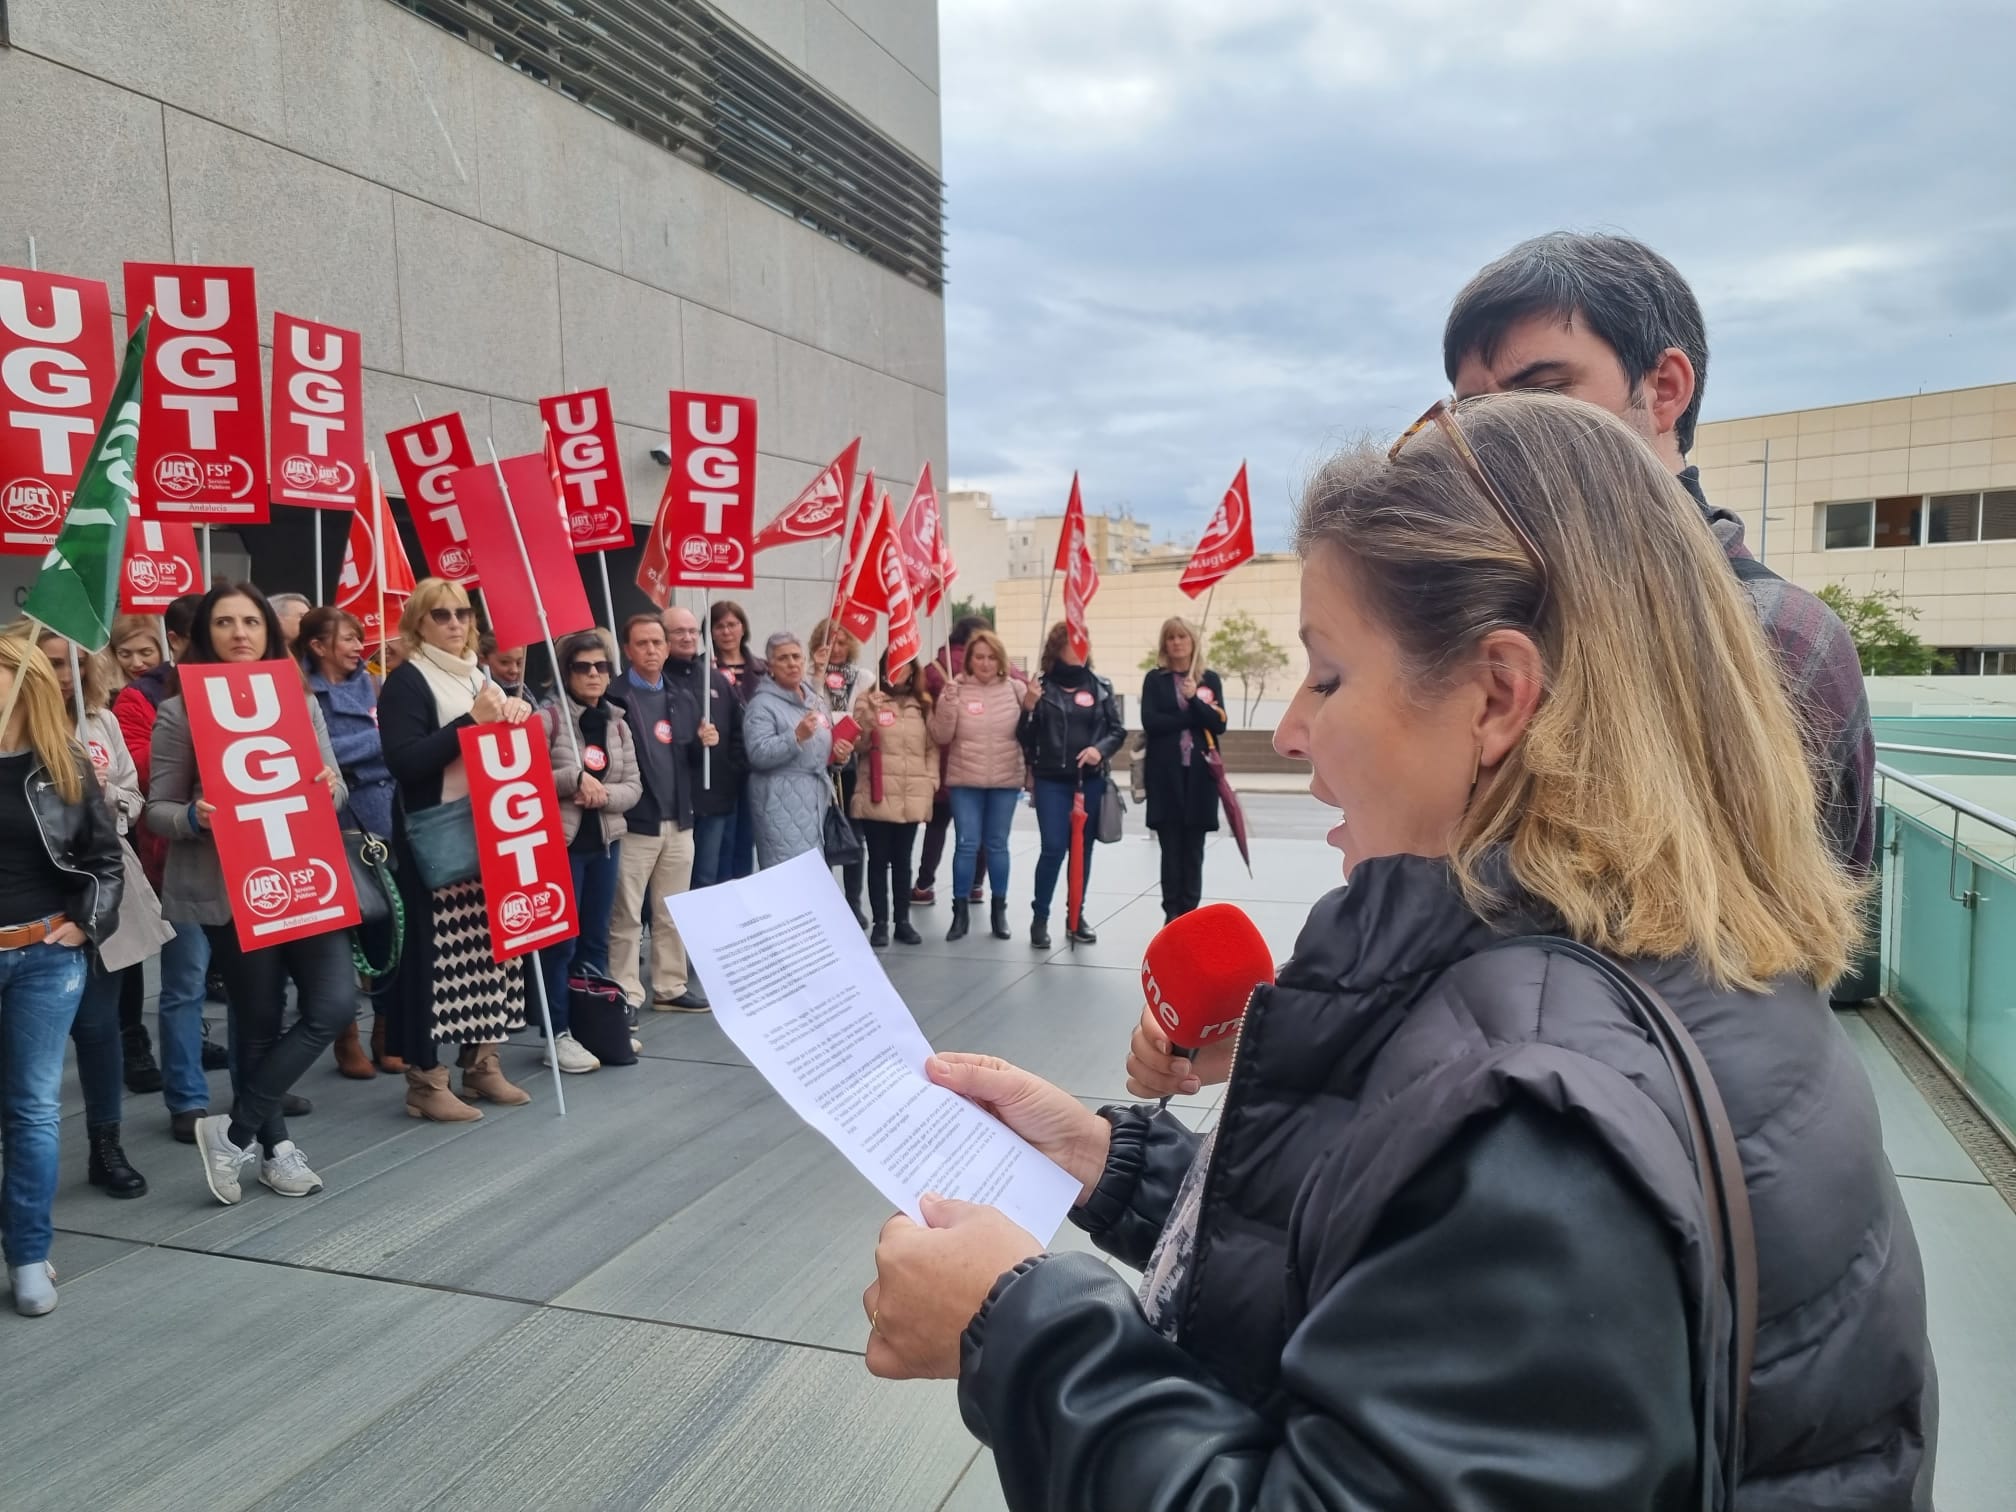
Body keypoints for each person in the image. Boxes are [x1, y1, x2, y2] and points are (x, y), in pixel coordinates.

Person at [864, 395, 1934, 1509]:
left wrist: (1013, 1330)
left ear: (1498, 697)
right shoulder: (1678, 974)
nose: (1287, 731)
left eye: (1328, 675)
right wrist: (1108, 1162)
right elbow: (1408, 1284)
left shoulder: (1536, 1118)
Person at [1444, 231, 1874, 874]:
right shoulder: (1486, 607)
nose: (1495, 438)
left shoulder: (1773, 636)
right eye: (1473, 412)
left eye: (1541, 393)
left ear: (1665, 388)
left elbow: (1794, 938)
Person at [144, 583, 351, 1206]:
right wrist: (195, 818)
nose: (240, 633)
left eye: (251, 622)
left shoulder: (298, 697)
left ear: (269, 632)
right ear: (206, 634)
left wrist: (324, 787)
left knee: (333, 1006)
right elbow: (156, 809)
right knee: (257, 1022)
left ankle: (232, 1134)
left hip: (307, 875)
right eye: (226, 622)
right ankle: (277, 1150)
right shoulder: (180, 712)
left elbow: (334, 787)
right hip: (234, 888)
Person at [377, 579, 535, 1122]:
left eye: (462, 614)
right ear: (418, 622)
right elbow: (404, 761)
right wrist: (473, 723)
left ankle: (482, 1061)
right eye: (440, 615)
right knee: (436, 961)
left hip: (493, 830)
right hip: (438, 837)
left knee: (492, 954)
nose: (454, 624)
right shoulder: (407, 681)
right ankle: (426, 1078)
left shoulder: (480, 676)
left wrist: (513, 721)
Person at [0, 636, 124, 1315]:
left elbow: (106, 861)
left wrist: (86, 925)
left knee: (33, 1111)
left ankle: (26, 1252)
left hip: (45, 954)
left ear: (25, 685)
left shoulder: (62, 764)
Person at [33, 630, 154, 1200]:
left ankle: (106, 1146)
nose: (65, 676)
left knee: (98, 1026)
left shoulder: (100, 722)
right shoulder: (15, 728)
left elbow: (133, 798)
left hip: (100, 888)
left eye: (75, 665)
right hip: (32, 899)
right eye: (54, 664)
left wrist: (109, 799)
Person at [111, 599, 228, 1137]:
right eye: (215, 629)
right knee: (184, 984)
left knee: (259, 988)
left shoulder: (258, 690)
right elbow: (144, 775)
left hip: (257, 865)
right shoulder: (144, 697)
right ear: (178, 640)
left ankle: (262, 1088)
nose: (231, 638)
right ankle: (187, 1100)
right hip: (180, 863)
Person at [537, 629, 641, 1073]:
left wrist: (605, 796)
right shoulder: (548, 718)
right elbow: (530, 776)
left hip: (604, 843)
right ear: (566, 671)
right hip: (562, 845)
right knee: (562, 943)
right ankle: (556, 1032)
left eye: (602, 666)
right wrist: (573, 781)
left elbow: (634, 786)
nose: (595, 674)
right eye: (584, 667)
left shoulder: (617, 721)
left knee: (596, 939)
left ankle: (592, 1023)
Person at [300, 606, 396, 1078]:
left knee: (387, 925)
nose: (359, 646)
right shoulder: (303, 691)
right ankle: (346, 1036)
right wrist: (381, 744)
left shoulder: (376, 685)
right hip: (337, 820)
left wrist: (376, 748)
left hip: (386, 819)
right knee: (343, 930)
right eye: (348, 639)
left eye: (360, 638)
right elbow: (320, 754)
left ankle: (385, 1027)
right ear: (317, 647)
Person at [607, 614, 715, 1014]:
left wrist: (703, 744)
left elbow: (683, 757)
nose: (652, 650)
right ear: (627, 650)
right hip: (637, 822)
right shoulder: (614, 698)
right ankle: (626, 992)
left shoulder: (681, 696)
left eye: (657, 642)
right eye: (642, 643)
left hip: (679, 821)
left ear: (667, 648)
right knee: (627, 915)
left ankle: (670, 986)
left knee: (672, 912)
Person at [1018, 623, 1125, 949]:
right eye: (1073, 644)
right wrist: (1029, 708)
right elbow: (1024, 738)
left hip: (1089, 782)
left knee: (1084, 850)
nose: (1081, 649)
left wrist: (1099, 750)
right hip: (1051, 780)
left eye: (1084, 643)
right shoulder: (1041, 687)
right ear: (1057, 648)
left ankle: (1076, 916)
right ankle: (1040, 918)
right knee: (1053, 848)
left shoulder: (1101, 687)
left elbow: (1117, 731)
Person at [928, 628, 1025, 942]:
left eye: (990, 657)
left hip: (1005, 780)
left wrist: (1036, 704)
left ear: (1000, 660)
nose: (984, 663)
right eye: (978, 657)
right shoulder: (955, 688)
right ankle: (959, 913)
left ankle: (999, 912)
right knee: (967, 844)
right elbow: (940, 735)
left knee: (997, 845)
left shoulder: (1016, 689)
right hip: (964, 780)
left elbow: (1033, 731)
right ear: (969, 660)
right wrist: (947, 703)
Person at [1139, 617, 1228, 924]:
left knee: (1194, 850)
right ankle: (1171, 914)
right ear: (1165, 644)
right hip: (1166, 778)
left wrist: (1194, 701)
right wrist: (1191, 716)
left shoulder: (1209, 680)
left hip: (1199, 779)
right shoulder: (1155, 680)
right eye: (1171, 638)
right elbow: (1152, 723)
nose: (1177, 642)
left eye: (1182, 637)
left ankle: (1189, 914)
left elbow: (1219, 724)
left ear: (1192, 642)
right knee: (1170, 850)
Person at [743, 632, 851, 869]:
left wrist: (838, 756)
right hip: (780, 801)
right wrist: (795, 737)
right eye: (783, 658)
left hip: (816, 801)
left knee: (813, 874)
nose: (791, 663)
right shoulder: (762, 705)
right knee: (787, 876)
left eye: (796, 657)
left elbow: (822, 747)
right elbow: (758, 754)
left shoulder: (814, 700)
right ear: (770, 666)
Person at [851, 651, 938, 947]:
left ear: (912, 672)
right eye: (892, 667)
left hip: (911, 794)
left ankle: (903, 921)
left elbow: (931, 749)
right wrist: (869, 716)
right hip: (877, 793)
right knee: (878, 861)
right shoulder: (868, 698)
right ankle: (880, 923)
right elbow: (857, 744)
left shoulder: (923, 705)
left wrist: (931, 782)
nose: (897, 673)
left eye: (903, 668)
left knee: (903, 862)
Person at [913, 616, 995, 909]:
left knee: (936, 828)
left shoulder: (933, 670)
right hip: (978, 763)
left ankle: (924, 885)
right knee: (978, 831)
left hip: (942, 761)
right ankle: (975, 886)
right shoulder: (989, 668)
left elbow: (920, 707)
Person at [666, 606, 743, 891]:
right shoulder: (656, 680)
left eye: (692, 631)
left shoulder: (716, 679)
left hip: (715, 800)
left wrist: (731, 770)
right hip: (671, 803)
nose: (687, 637)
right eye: (678, 631)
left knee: (707, 879)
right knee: (671, 884)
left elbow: (738, 731)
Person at [809, 618, 867, 924]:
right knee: (824, 833)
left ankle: (854, 903)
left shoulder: (864, 678)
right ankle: (828, 904)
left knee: (854, 836)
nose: (837, 649)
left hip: (851, 764)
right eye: (830, 643)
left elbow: (866, 719)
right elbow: (808, 705)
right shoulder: (810, 676)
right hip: (819, 764)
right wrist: (818, 676)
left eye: (843, 642)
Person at [708, 600, 765, 881]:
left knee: (747, 839)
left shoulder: (764, 670)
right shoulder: (704, 669)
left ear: (743, 627)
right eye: (719, 626)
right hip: (720, 767)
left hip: (756, 766)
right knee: (722, 842)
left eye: (732, 624)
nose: (726, 631)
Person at [479, 633, 532, 703]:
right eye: (505, 662)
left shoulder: (522, 690)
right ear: (483, 660)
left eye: (519, 663)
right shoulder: (480, 695)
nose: (514, 670)